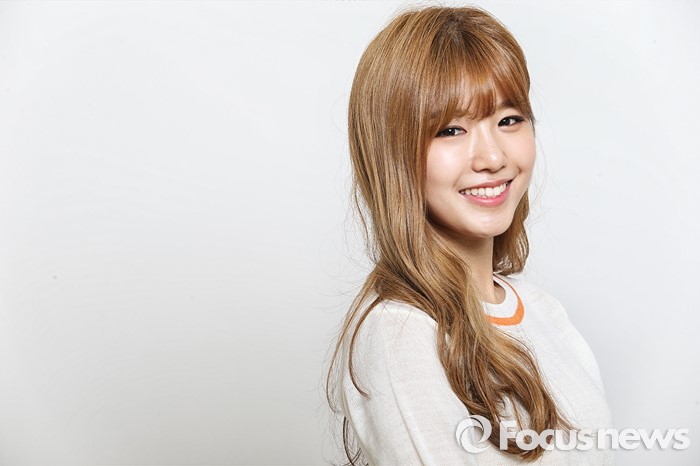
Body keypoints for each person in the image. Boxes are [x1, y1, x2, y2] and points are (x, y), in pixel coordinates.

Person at [324, 5, 614, 465]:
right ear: (392, 152)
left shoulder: (544, 312)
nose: (492, 157)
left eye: (509, 119)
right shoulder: (401, 331)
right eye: (451, 130)